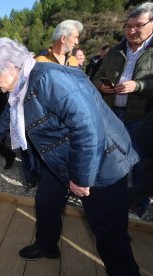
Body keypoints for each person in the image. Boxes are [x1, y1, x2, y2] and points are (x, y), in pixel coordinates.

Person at [0, 37, 140, 275]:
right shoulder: (20, 88)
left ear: (11, 67)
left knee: (109, 235)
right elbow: (4, 123)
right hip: (62, 161)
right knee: (46, 202)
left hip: (99, 164)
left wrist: (82, 177)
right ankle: (47, 246)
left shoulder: (48, 79)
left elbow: (88, 128)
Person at [93, 2, 153, 219]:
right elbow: (97, 75)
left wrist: (139, 86)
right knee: (110, 159)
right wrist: (101, 85)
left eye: (138, 25)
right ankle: (111, 200)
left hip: (142, 117)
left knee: (139, 162)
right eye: (128, 26)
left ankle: (137, 207)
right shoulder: (116, 50)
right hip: (113, 115)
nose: (131, 31)